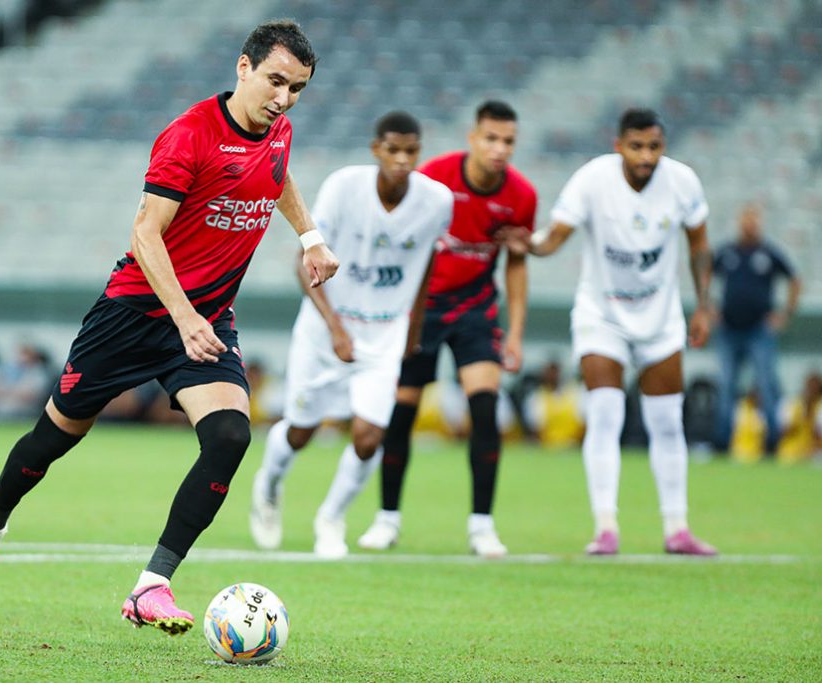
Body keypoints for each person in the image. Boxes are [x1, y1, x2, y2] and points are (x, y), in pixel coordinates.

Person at [0, 20, 337, 636]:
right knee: (53, 438)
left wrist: (310, 236)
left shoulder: (278, 127)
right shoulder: (188, 136)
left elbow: (277, 174)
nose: (284, 98)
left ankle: (152, 585)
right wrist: (182, 318)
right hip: (133, 314)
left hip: (204, 322)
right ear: (243, 67)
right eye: (275, 81)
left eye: (297, 89)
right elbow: (144, 233)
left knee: (231, 437)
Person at [499, 108, 717, 556]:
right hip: (604, 316)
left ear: (663, 147)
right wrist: (532, 245)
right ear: (619, 146)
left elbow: (698, 245)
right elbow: (556, 235)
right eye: (636, 146)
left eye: (654, 147)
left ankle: (677, 528)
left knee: (666, 423)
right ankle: (606, 527)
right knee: (604, 414)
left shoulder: (682, 183)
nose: (646, 156)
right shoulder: (593, 179)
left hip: (661, 318)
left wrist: (703, 306)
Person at [248, 111, 453, 558]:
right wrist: (336, 327)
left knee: (368, 437)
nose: (402, 160)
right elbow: (305, 264)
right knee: (300, 431)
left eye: (411, 151)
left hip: (383, 338)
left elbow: (425, 267)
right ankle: (268, 486)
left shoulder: (437, 201)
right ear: (376, 149)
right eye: (393, 149)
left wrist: (414, 330)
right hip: (324, 335)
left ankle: (331, 517)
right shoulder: (344, 188)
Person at [357, 101, 535, 558]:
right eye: (491, 138)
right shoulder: (434, 178)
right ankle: (387, 519)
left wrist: (514, 332)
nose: (499, 149)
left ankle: (482, 525)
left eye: (508, 141)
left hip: (476, 309)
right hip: (423, 307)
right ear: (472, 138)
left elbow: (516, 265)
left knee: (484, 410)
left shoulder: (521, 196)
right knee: (402, 413)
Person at [711, 203, 801, 455]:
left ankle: (772, 442)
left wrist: (785, 314)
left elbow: (795, 279)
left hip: (759, 331)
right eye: (746, 219)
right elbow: (705, 275)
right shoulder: (727, 252)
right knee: (726, 384)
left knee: (765, 383)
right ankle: (722, 442)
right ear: (740, 222)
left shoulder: (769, 253)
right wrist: (709, 308)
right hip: (729, 329)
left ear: (759, 223)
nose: (750, 224)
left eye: (754, 219)